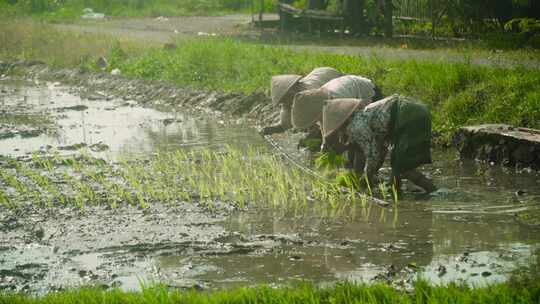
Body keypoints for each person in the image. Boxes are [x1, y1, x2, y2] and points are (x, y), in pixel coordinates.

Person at [320, 95, 437, 193]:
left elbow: (373, 154)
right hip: (415, 110)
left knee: (403, 167)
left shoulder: (354, 127)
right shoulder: (362, 116)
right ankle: (395, 191)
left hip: (408, 115)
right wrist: (372, 173)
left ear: (339, 124)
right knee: (396, 165)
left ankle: (434, 192)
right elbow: (381, 149)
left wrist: (366, 177)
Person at [261, 67, 343, 135]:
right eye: (283, 101)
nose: (286, 103)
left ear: (293, 88)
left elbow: (321, 113)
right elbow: (285, 124)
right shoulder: (287, 104)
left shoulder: (310, 92)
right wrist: (273, 129)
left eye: (286, 99)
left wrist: (315, 132)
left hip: (334, 77)